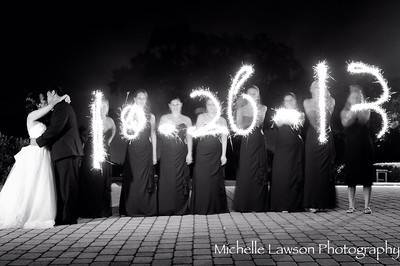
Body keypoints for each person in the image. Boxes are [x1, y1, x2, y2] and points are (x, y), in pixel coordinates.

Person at [0, 92, 70, 229]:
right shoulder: (31, 117)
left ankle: (39, 211)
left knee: (41, 184)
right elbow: (50, 107)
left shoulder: (45, 120)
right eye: (44, 100)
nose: (46, 103)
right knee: (29, 184)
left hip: (44, 154)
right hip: (34, 155)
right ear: (38, 104)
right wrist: (61, 98)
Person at [30, 88, 83, 225]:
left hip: (67, 152)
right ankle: (64, 216)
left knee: (68, 187)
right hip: (65, 152)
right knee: (64, 186)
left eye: (47, 95)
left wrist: (38, 141)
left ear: (53, 93)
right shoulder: (60, 107)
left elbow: (55, 129)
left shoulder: (62, 107)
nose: (47, 99)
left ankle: (68, 218)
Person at [119, 90, 157, 216]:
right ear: (134, 99)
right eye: (139, 98)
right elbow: (126, 131)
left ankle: (146, 208)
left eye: (144, 98)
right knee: (133, 178)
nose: (141, 100)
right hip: (133, 149)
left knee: (145, 179)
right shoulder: (129, 114)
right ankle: (132, 208)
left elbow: (153, 135)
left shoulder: (151, 116)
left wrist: (154, 155)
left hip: (146, 149)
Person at [233, 86, 268, 212]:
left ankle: (258, 203)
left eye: (254, 94)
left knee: (259, 169)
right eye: (249, 94)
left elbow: (259, 123)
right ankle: (245, 203)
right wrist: (239, 111)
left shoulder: (263, 108)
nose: (252, 95)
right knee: (246, 169)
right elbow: (238, 126)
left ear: (258, 95)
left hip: (258, 140)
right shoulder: (241, 109)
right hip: (247, 141)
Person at [79, 97, 116, 218]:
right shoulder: (92, 120)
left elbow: (114, 132)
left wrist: (108, 141)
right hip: (91, 152)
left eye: (106, 106)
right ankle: (91, 209)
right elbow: (84, 137)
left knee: (103, 179)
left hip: (105, 153)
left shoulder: (110, 120)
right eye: (101, 106)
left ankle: (103, 210)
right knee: (92, 178)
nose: (103, 108)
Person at [190, 98, 228, 214]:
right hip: (203, 150)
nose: (211, 106)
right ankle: (201, 206)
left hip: (216, 151)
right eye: (209, 104)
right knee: (202, 178)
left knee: (215, 179)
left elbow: (224, 138)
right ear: (206, 106)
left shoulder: (222, 120)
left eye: (213, 104)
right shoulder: (201, 117)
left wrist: (224, 155)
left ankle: (215, 207)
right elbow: (197, 134)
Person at [303, 81, 336, 213]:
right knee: (312, 169)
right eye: (316, 87)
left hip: (327, 136)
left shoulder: (331, 100)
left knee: (325, 169)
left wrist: (324, 102)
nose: (318, 89)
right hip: (313, 137)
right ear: (311, 89)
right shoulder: (307, 102)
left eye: (320, 86)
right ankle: (312, 202)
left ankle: (324, 202)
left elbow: (327, 118)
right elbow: (312, 120)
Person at [341, 85, 374, 214]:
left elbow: (363, 119)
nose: (356, 98)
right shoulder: (344, 111)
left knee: (367, 178)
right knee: (351, 178)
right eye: (354, 96)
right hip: (351, 147)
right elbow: (346, 122)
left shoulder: (366, 109)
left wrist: (357, 108)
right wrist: (352, 110)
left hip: (365, 146)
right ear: (349, 98)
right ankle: (351, 206)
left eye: (358, 96)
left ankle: (367, 206)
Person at [270, 93, 305, 212]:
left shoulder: (301, 114)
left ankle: (293, 204)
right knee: (281, 173)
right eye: (286, 100)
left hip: (295, 147)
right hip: (281, 147)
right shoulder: (279, 112)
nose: (288, 102)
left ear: (295, 101)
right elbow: (278, 123)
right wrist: (287, 119)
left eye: (291, 100)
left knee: (293, 174)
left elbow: (299, 124)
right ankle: (281, 204)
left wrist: (286, 119)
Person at [158, 96, 193, 215]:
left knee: (180, 178)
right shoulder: (164, 118)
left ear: (181, 104)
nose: (175, 106)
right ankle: (166, 207)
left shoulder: (187, 119)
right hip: (167, 152)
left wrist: (190, 153)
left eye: (177, 104)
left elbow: (189, 137)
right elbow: (160, 133)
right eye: (173, 104)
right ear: (169, 106)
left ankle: (180, 207)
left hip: (181, 152)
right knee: (168, 178)